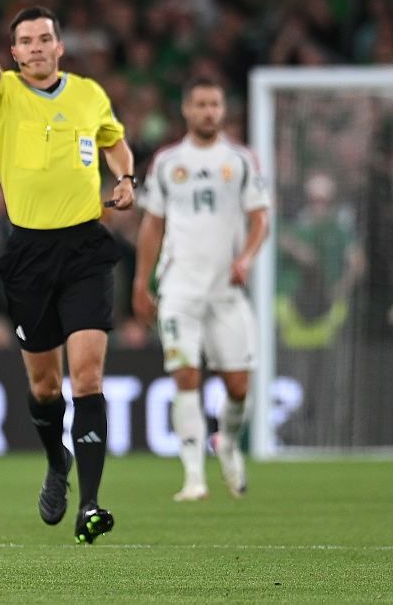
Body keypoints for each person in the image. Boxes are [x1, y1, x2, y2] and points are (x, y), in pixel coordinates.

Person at [0, 0, 136, 544]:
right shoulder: (0, 91)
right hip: (30, 252)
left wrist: (127, 177)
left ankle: (91, 504)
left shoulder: (88, 93)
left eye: (44, 39)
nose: (36, 49)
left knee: (87, 378)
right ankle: (56, 462)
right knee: (45, 387)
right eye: (25, 42)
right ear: (14, 51)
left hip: (85, 246)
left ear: (59, 45)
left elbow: (113, 139)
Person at [132, 76, 270, 501]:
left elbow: (260, 218)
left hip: (226, 292)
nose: (208, 111)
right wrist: (143, 280)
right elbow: (152, 224)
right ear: (186, 111)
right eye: (201, 104)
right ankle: (194, 477)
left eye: (215, 104)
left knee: (238, 387)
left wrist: (245, 257)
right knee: (185, 376)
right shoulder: (168, 162)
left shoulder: (242, 159)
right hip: (180, 289)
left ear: (223, 110)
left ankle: (226, 442)